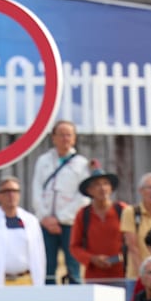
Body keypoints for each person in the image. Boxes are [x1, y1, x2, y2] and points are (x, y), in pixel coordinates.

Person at [31, 120, 91, 284]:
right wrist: (45, 217)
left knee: (73, 265)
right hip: (46, 223)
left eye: (69, 135)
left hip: (70, 223)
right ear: (54, 138)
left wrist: (61, 217)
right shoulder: (43, 161)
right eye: (61, 135)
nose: (65, 139)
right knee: (47, 265)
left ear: (74, 138)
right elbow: (37, 189)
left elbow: (84, 196)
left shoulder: (81, 164)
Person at [0, 177, 45, 287]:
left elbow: (40, 254)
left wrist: (39, 282)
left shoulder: (31, 221)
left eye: (15, 191)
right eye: (6, 191)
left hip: (26, 282)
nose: (11, 195)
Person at [69, 170, 124, 283]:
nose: (102, 188)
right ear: (89, 191)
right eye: (97, 184)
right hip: (94, 276)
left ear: (111, 188)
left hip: (122, 273)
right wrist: (92, 259)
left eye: (105, 183)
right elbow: (74, 247)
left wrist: (123, 257)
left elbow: (134, 240)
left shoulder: (123, 210)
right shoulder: (83, 214)